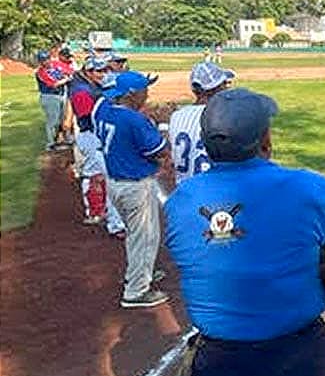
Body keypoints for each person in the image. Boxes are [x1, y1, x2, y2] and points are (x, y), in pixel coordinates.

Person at [164, 88, 325, 376]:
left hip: (218, 363)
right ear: (265, 140)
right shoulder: (305, 187)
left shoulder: (181, 200)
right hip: (294, 359)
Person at [94, 71, 169, 308]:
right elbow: (158, 150)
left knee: (136, 235)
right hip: (135, 186)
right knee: (145, 237)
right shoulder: (134, 120)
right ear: (130, 94)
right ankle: (136, 291)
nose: (147, 94)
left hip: (116, 183)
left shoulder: (104, 109)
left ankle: (139, 272)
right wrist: (161, 126)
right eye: (144, 90)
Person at [69, 56, 126, 237]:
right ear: (88, 72)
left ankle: (94, 212)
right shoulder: (82, 91)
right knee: (107, 176)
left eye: (104, 71)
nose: (102, 74)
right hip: (91, 136)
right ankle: (114, 223)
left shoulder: (91, 87)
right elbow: (89, 117)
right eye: (98, 71)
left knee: (94, 172)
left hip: (92, 135)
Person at [169, 62, 236, 184]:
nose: (227, 88)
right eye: (224, 84)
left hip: (183, 191)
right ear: (217, 88)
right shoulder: (226, 116)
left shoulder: (176, 116)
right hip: (215, 192)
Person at [34, 50, 72, 151]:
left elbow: (68, 71)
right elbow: (53, 84)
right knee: (52, 121)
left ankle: (67, 139)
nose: (46, 61)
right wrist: (66, 79)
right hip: (49, 97)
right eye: (43, 60)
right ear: (40, 62)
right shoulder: (40, 72)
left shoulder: (56, 64)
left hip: (61, 95)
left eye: (47, 59)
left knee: (63, 118)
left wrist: (67, 76)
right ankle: (50, 144)